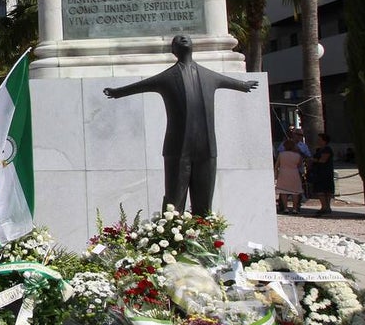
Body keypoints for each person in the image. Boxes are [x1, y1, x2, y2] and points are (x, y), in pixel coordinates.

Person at [103, 34, 258, 216]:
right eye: (177, 39)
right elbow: (140, 85)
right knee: (174, 202)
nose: (183, 39)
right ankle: (171, 240)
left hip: (206, 148)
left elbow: (231, 82)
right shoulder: (167, 77)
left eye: (186, 38)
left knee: (204, 202)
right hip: (177, 148)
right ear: (173, 51)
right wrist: (117, 92)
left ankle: (205, 239)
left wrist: (244, 85)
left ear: (193, 46)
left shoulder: (209, 76)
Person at [307, 132, 335, 217]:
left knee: (325, 189)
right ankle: (324, 206)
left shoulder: (327, 149)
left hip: (325, 172)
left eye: (320, 139)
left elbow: (323, 160)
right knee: (320, 190)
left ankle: (326, 207)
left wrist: (312, 159)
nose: (318, 141)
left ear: (324, 141)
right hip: (318, 171)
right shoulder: (319, 150)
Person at [275, 137, 304, 214]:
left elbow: (277, 165)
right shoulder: (298, 155)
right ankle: (294, 208)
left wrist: (276, 174)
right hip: (294, 173)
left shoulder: (281, 154)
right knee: (295, 192)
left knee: (283, 191)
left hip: (283, 173)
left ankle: (285, 208)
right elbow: (300, 165)